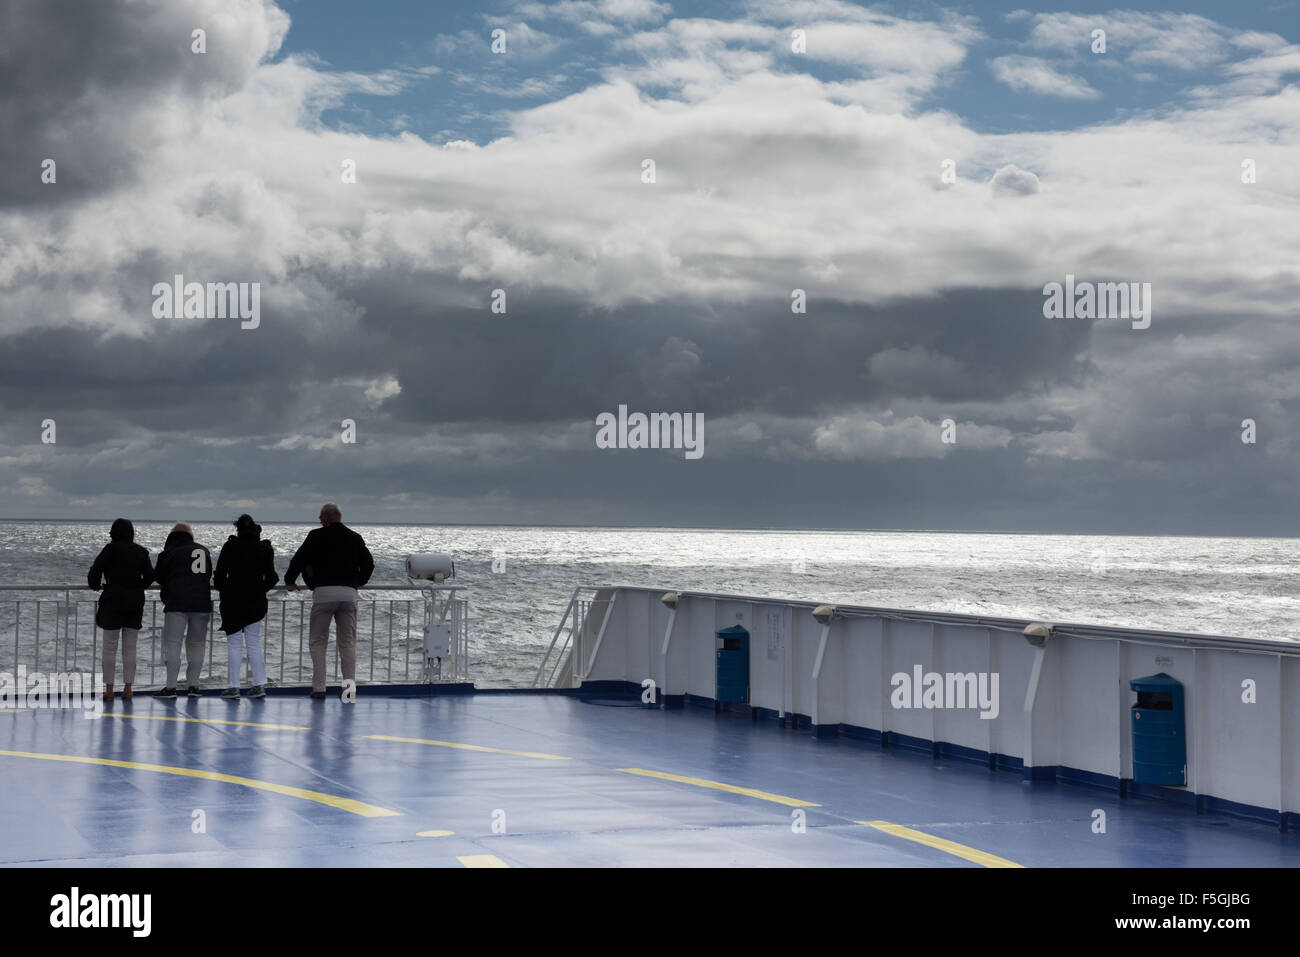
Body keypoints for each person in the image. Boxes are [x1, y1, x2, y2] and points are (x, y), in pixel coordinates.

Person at [285, 503, 374, 699]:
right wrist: (357, 582)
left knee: (318, 642)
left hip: (323, 592)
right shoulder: (354, 537)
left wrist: (290, 580)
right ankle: (349, 690)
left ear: (326, 517)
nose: (319, 520)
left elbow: (299, 560)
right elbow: (369, 563)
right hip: (348, 594)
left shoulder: (315, 536)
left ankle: (319, 689)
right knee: (347, 643)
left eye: (320, 517)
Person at [87, 518, 154, 702]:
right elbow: (150, 576)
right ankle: (128, 688)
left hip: (112, 601)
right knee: (130, 648)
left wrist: (97, 586)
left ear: (113, 533)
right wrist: (137, 586)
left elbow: (94, 572)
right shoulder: (141, 552)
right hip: (134, 602)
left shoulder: (110, 549)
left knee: (109, 647)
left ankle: (109, 690)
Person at [213, 514, 279, 699]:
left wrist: (226, 590)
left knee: (234, 643)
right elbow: (273, 577)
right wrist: (258, 589)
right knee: (253, 642)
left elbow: (219, 577)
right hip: (255, 602)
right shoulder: (265, 549)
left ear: (238, 528)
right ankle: (259, 685)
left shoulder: (230, 546)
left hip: (232, 601)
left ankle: (233, 687)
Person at [152, 522, 213, 699]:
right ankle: (194, 685)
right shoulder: (203, 550)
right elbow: (208, 575)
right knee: (197, 645)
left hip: (177, 603)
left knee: (173, 644)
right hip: (201, 602)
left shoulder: (169, 552)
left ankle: (171, 687)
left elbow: (159, 577)